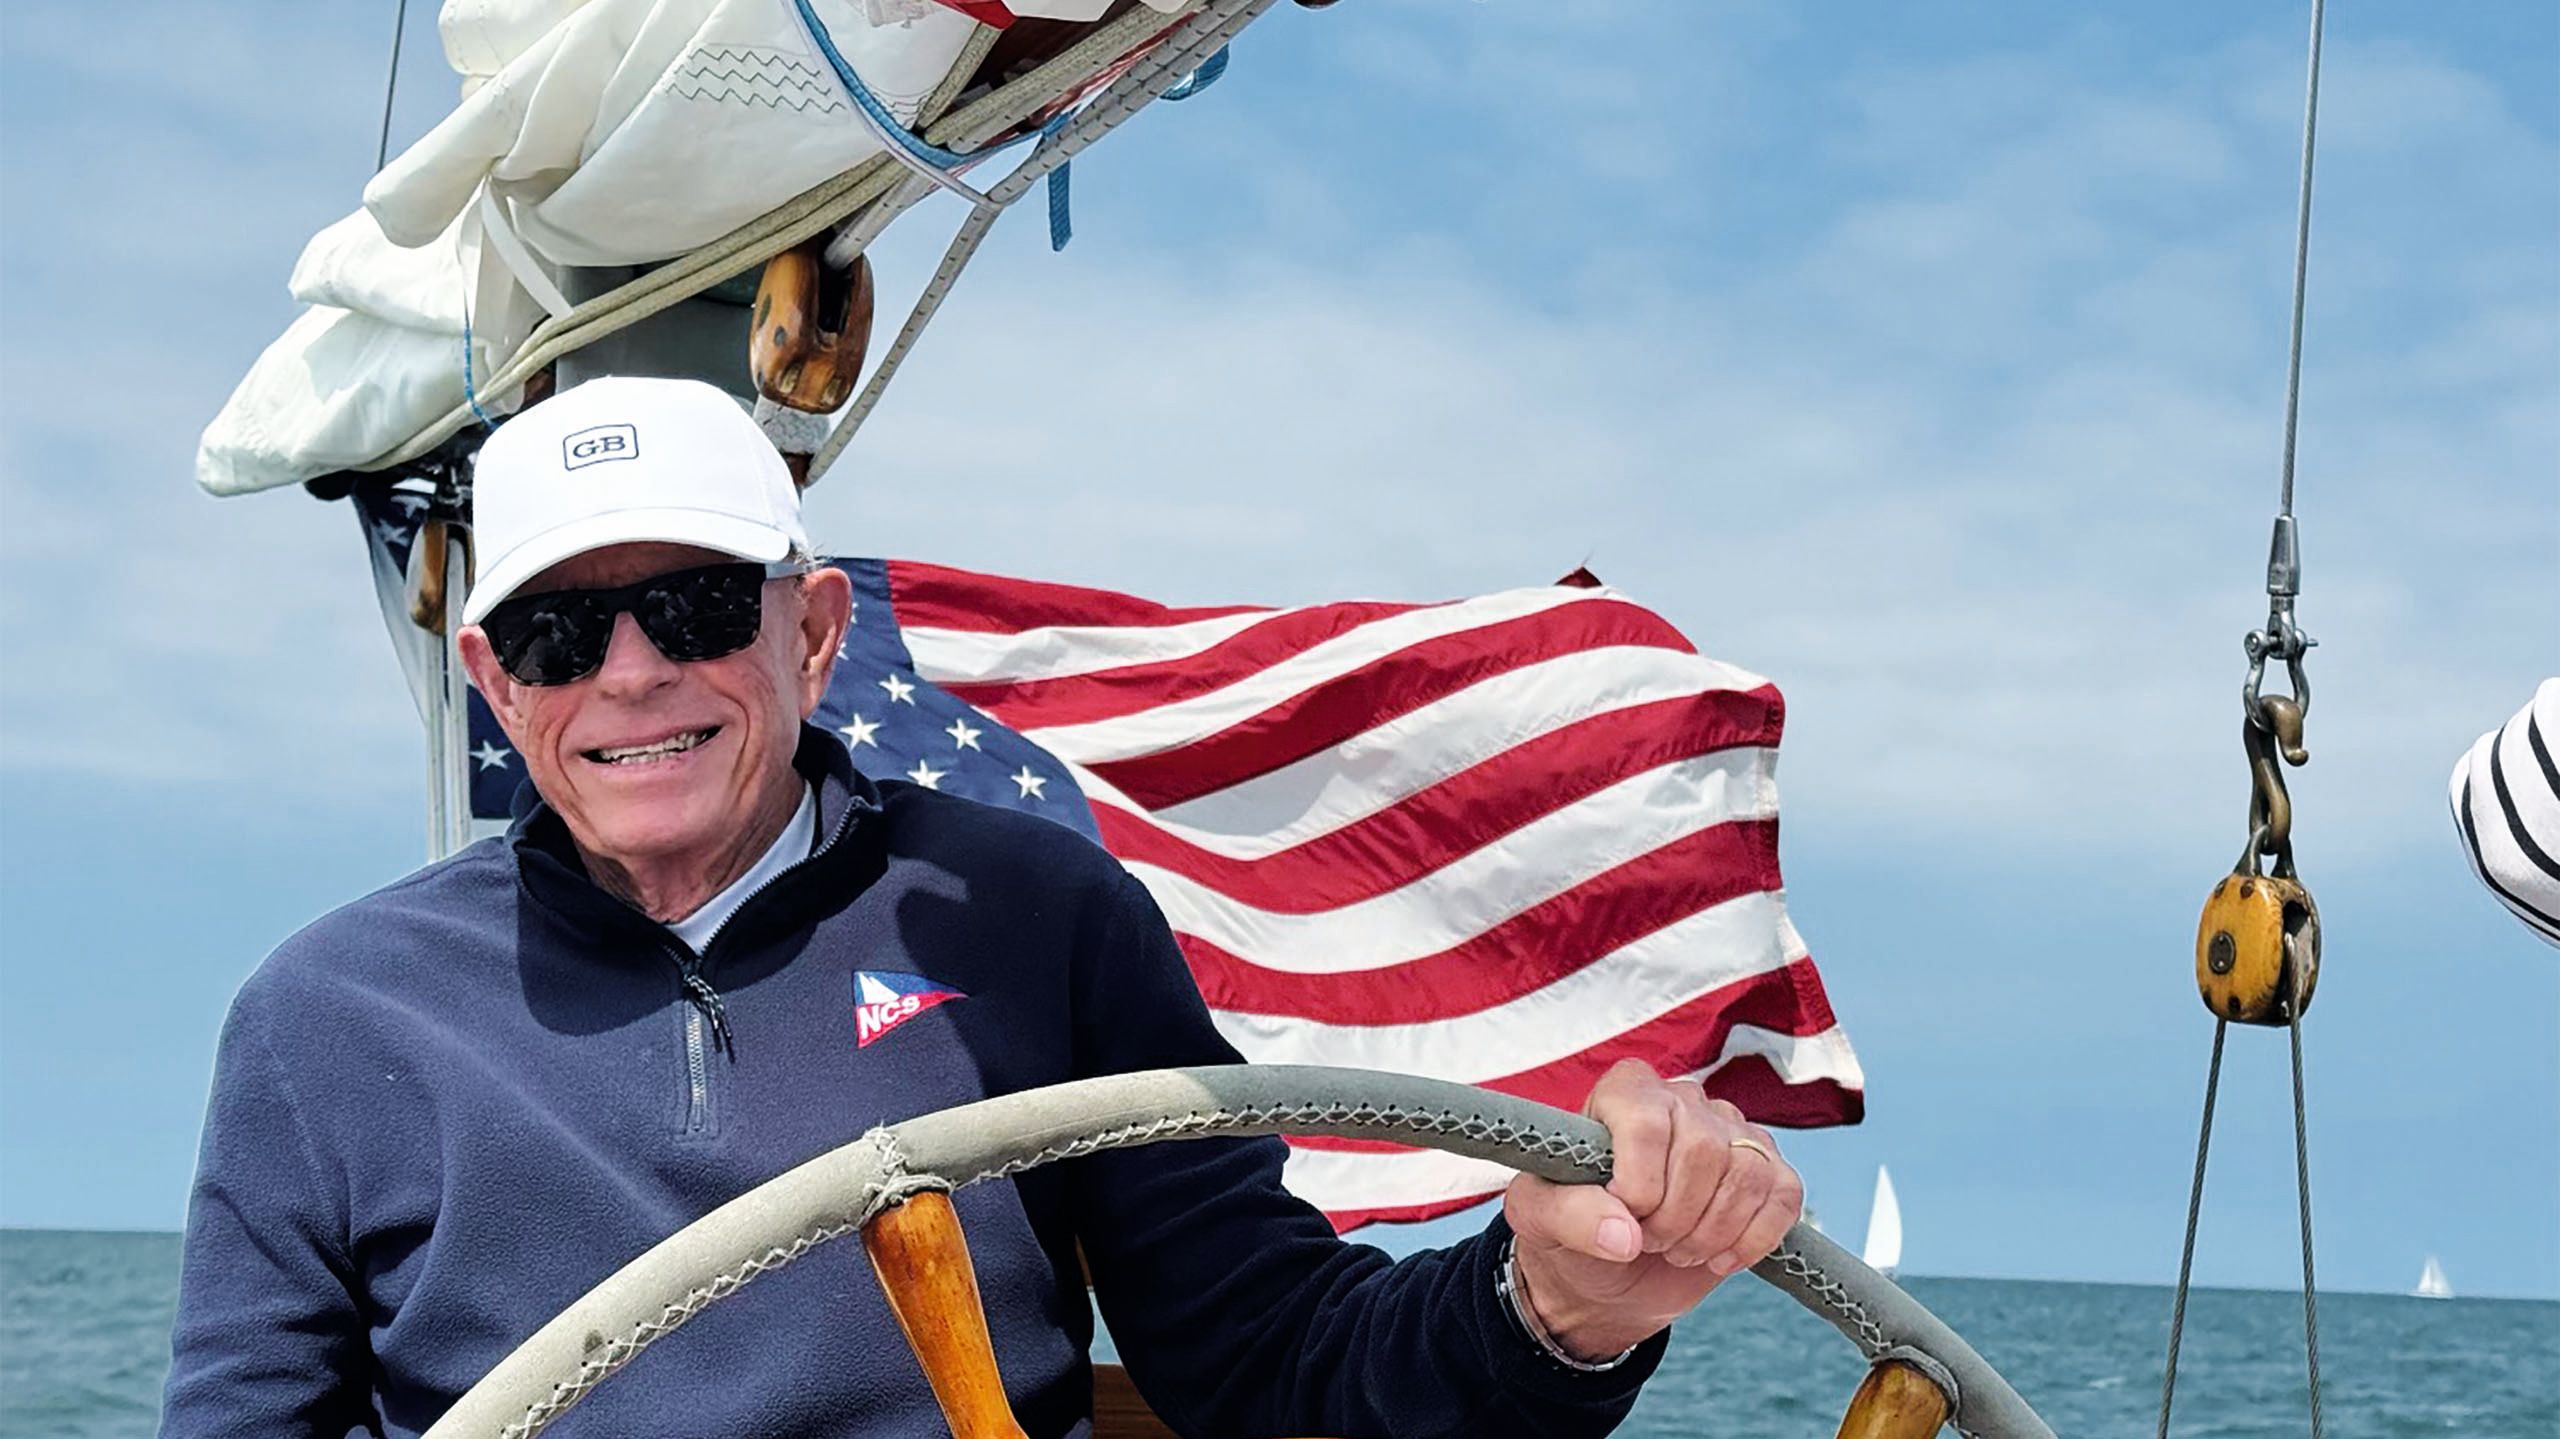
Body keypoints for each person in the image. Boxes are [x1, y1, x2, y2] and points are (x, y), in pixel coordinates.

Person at [160, 376, 1805, 1437]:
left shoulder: (1033, 918)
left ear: (810, 632)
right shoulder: (327, 1017)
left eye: (690, 604)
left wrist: (1559, 1313)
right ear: (490, 686)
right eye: (555, 638)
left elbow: (1266, 1357)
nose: (632, 674)